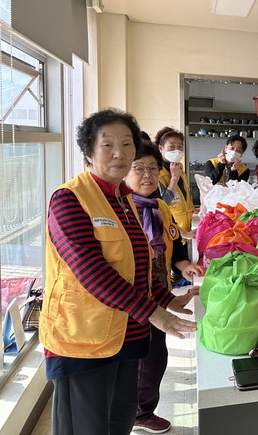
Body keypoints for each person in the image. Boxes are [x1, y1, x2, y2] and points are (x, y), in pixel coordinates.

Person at [40, 108, 197, 435]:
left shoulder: (123, 200)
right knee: (86, 427)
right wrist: (155, 313)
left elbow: (135, 266)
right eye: (107, 144)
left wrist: (166, 298)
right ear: (88, 151)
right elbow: (91, 271)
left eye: (127, 144)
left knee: (119, 421)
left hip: (125, 333)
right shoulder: (70, 199)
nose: (119, 153)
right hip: (83, 339)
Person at [125, 140, 205, 433]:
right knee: (142, 357)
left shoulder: (159, 206)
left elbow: (175, 246)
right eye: (139, 169)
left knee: (155, 355)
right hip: (130, 299)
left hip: (158, 292)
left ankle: (141, 410)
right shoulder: (122, 211)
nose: (147, 175)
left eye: (152, 169)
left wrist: (184, 266)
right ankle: (138, 413)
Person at [155, 127, 194, 236]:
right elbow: (163, 204)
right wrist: (174, 178)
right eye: (171, 147)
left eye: (180, 147)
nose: (176, 151)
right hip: (171, 229)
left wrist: (190, 209)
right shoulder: (157, 172)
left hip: (186, 225)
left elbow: (183, 193)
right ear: (161, 148)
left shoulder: (179, 166)